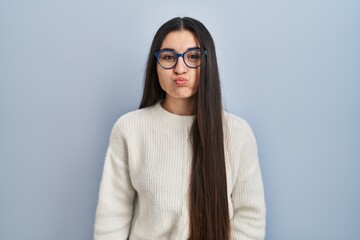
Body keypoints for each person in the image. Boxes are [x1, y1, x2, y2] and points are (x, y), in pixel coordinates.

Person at [94, 17, 266, 240]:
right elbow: (112, 216)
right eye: (168, 57)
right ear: (155, 65)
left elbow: (250, 217)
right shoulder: (129, 129)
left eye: (193, 57)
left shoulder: (238, 133)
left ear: (208, 62)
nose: (180, 68)